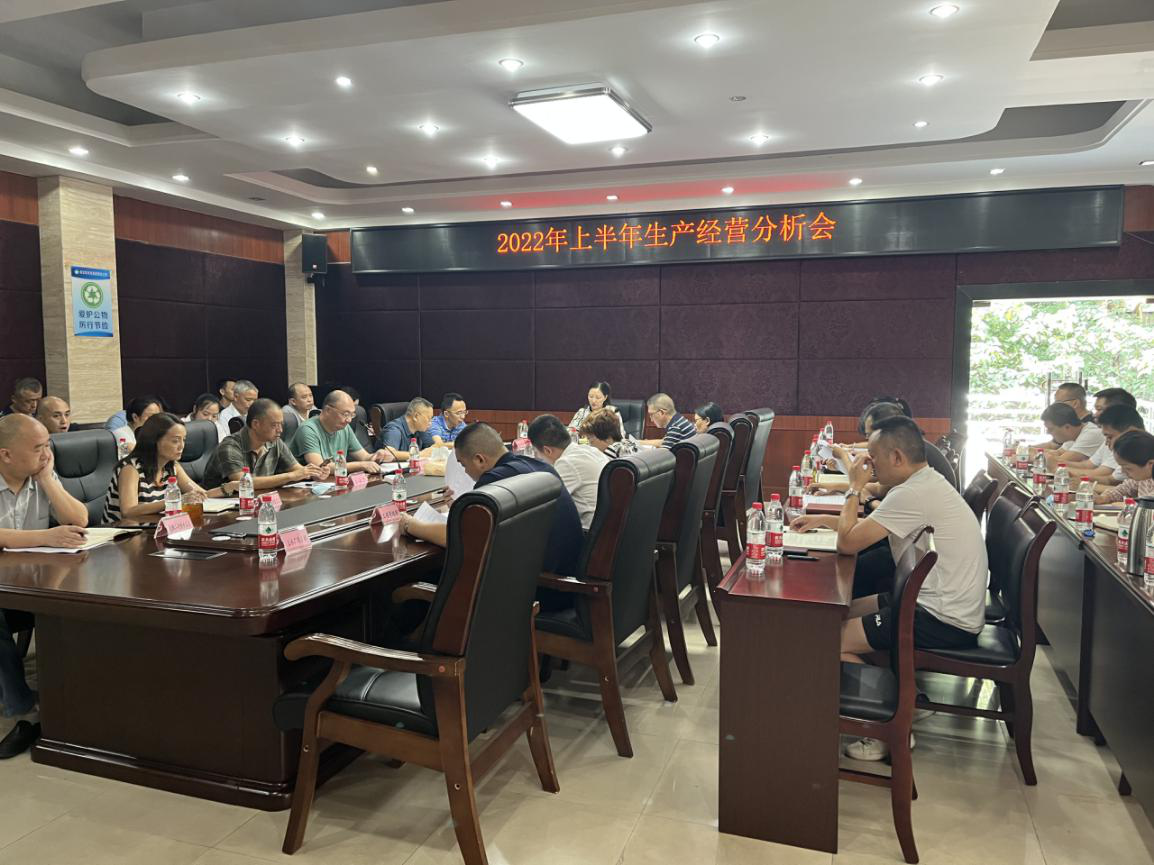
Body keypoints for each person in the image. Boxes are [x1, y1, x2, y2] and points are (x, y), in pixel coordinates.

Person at [791, 416, 987, 761]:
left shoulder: (912, 493)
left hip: (942, 617)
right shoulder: (924, 482)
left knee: (827, 640)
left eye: (875, 457)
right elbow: (868, 527)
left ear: (896, 457)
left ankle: (888, 727)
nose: (871, 465)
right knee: (838, 615)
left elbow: (849, 543)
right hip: (931, 600)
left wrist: (854, 488)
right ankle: (909, 699)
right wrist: (823, 520)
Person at [0, 414, 89, 757]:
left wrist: (48, 480)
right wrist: (46, 536)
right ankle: (23, 709)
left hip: (30, 582)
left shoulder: (40, 476)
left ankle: (81, 696)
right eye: (38, 447)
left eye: (47, 445)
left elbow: (79, 519)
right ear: (6, 454)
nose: (46, 453)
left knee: (83, 600)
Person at [400, 422, 583, 577]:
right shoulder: (541, 466)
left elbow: (459, 537)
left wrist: (412, 525)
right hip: (566, 578)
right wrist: (464, 509)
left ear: (480, 460)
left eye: (464, 465)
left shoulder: (494, 481)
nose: (465, 472)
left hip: (540, 587)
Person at [103, 413, 233, 522]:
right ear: (154, 441)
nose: (181, 446)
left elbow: (201, 494)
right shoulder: (131, 469)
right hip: (124, 535)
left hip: (155, 529)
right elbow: (128, 511)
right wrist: (177, 501)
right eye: (175, 441)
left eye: (183, 440)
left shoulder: (172, 466)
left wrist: (229, 487)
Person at [203, 398, 329, 490]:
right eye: (274, 425)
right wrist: (291, 476)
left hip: (259, 501)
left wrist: (315, 473)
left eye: (281, 424)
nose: (280, 430)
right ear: (256, 424)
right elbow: (242, 483)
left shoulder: (275, 442)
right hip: (222, 508)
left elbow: (297, 470)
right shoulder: (230, 446)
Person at [528, 414, 608, 530]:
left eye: (536, 453)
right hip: (607, 528)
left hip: (588, 533)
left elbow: (543, 504)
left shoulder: (567, 463)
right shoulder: (590, 450)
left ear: (547, 450)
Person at [291, 389, 393, 473]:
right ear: (328, 410)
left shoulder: (344, 428)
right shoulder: (308, 429)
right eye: (345, 414)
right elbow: (320, 467)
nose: (349, 420)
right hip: (305, 486)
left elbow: (364, 457)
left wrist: (377, 456)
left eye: (352, 415)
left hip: (335, 482)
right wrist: (361, 465)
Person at [1081, 404, 1145, 485]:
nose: (1106, 443)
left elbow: (1112, 483)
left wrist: (1083, 483)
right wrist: (1082, 481)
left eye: (1110, 437)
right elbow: (1112, 481)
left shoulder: (1142, 453)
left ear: (1130, 432)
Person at [1095, 431, 1154, 505]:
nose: (1123, 471)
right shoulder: (1143, 476)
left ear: (1150, 464)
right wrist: (1104, 498)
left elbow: (1147, 504)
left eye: (1128, 468)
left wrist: (1125, 504)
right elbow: (1124, 488)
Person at [1038, 402, 1104, 468]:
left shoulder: (1091, 434)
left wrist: (1035, 455)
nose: (1048, 432)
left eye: (1051, 429)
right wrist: (1032, 450)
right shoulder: (1074, 434)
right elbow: (1058, 453)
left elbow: (1059, 462)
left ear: (1067, 427)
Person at [1038, 383, 1094, 451]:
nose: (1055, 406)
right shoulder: (1069, 422)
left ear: (1075, 403)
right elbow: (1053, 445)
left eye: (1058, 402)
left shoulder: (1089, 427)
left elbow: (1057, 451)